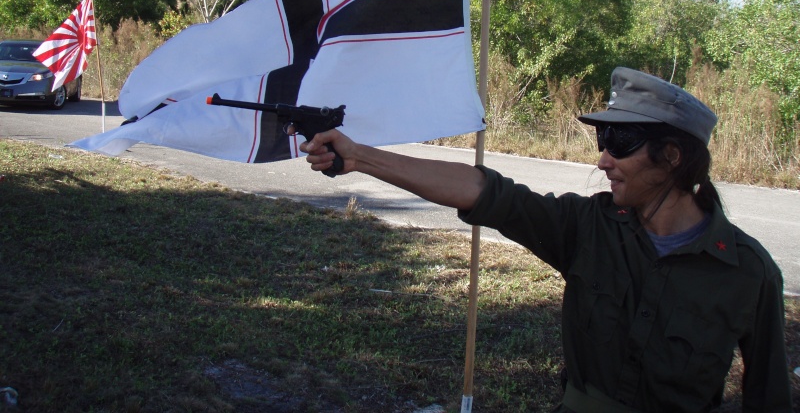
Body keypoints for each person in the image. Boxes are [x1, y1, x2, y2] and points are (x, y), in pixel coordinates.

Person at [299, 67, 793, 412]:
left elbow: (767, 398)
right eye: (602, 142)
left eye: (619, 144)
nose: (603, 160)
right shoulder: (587, 228)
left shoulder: (749, 272)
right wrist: (360, 156)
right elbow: (486, 191)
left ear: (672, 156)